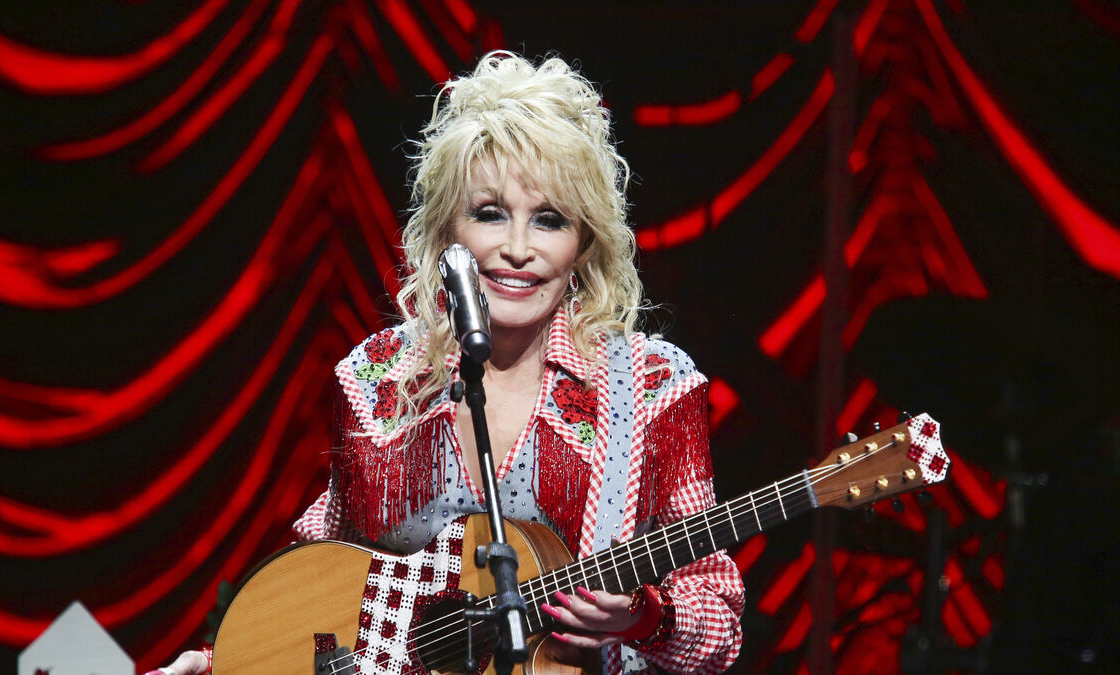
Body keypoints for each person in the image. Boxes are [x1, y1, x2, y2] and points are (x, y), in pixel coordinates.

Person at [152, 50, 743, 675]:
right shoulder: (380, 380)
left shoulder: (649, 389)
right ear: (446, 230)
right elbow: (319, 581)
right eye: (490, 214)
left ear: (584, 243)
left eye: (549, 221)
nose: (517, 249)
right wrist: (222, 664)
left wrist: (646, 619)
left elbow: (720, 623)